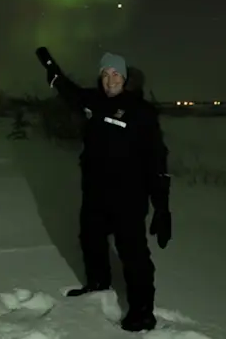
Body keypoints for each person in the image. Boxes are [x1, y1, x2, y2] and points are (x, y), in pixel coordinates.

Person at [34, 47, 172, 333]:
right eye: (106, 74)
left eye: (116, 75)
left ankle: (142, 312)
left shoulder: (140, 111)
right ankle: (98, 286)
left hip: (129, 197)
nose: (111, 80)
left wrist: (162, 206)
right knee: (90, 239)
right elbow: (69, 91)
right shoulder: (93, 100)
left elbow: (158, 159)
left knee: (133, 254)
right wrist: (52, 69)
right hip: (96, 192)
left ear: (125, 78)